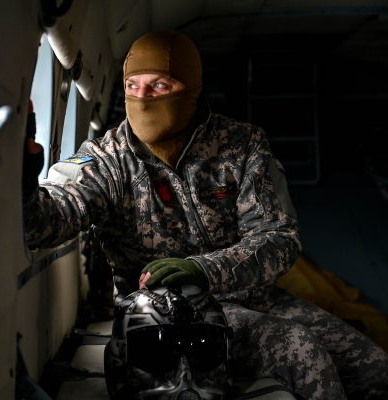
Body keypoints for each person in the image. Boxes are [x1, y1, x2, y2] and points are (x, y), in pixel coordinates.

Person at [22, 31, 388, 399]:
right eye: (134, 86)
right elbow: (51, 221)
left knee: (374, 369)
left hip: (257, 299)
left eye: (160, 85)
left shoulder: (241, 145)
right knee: (304, 352)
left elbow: (278, 238)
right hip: (166, 316)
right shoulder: (107, 159)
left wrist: (203, 269)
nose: (143, 99)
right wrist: (24, 184)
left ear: (191, 88)